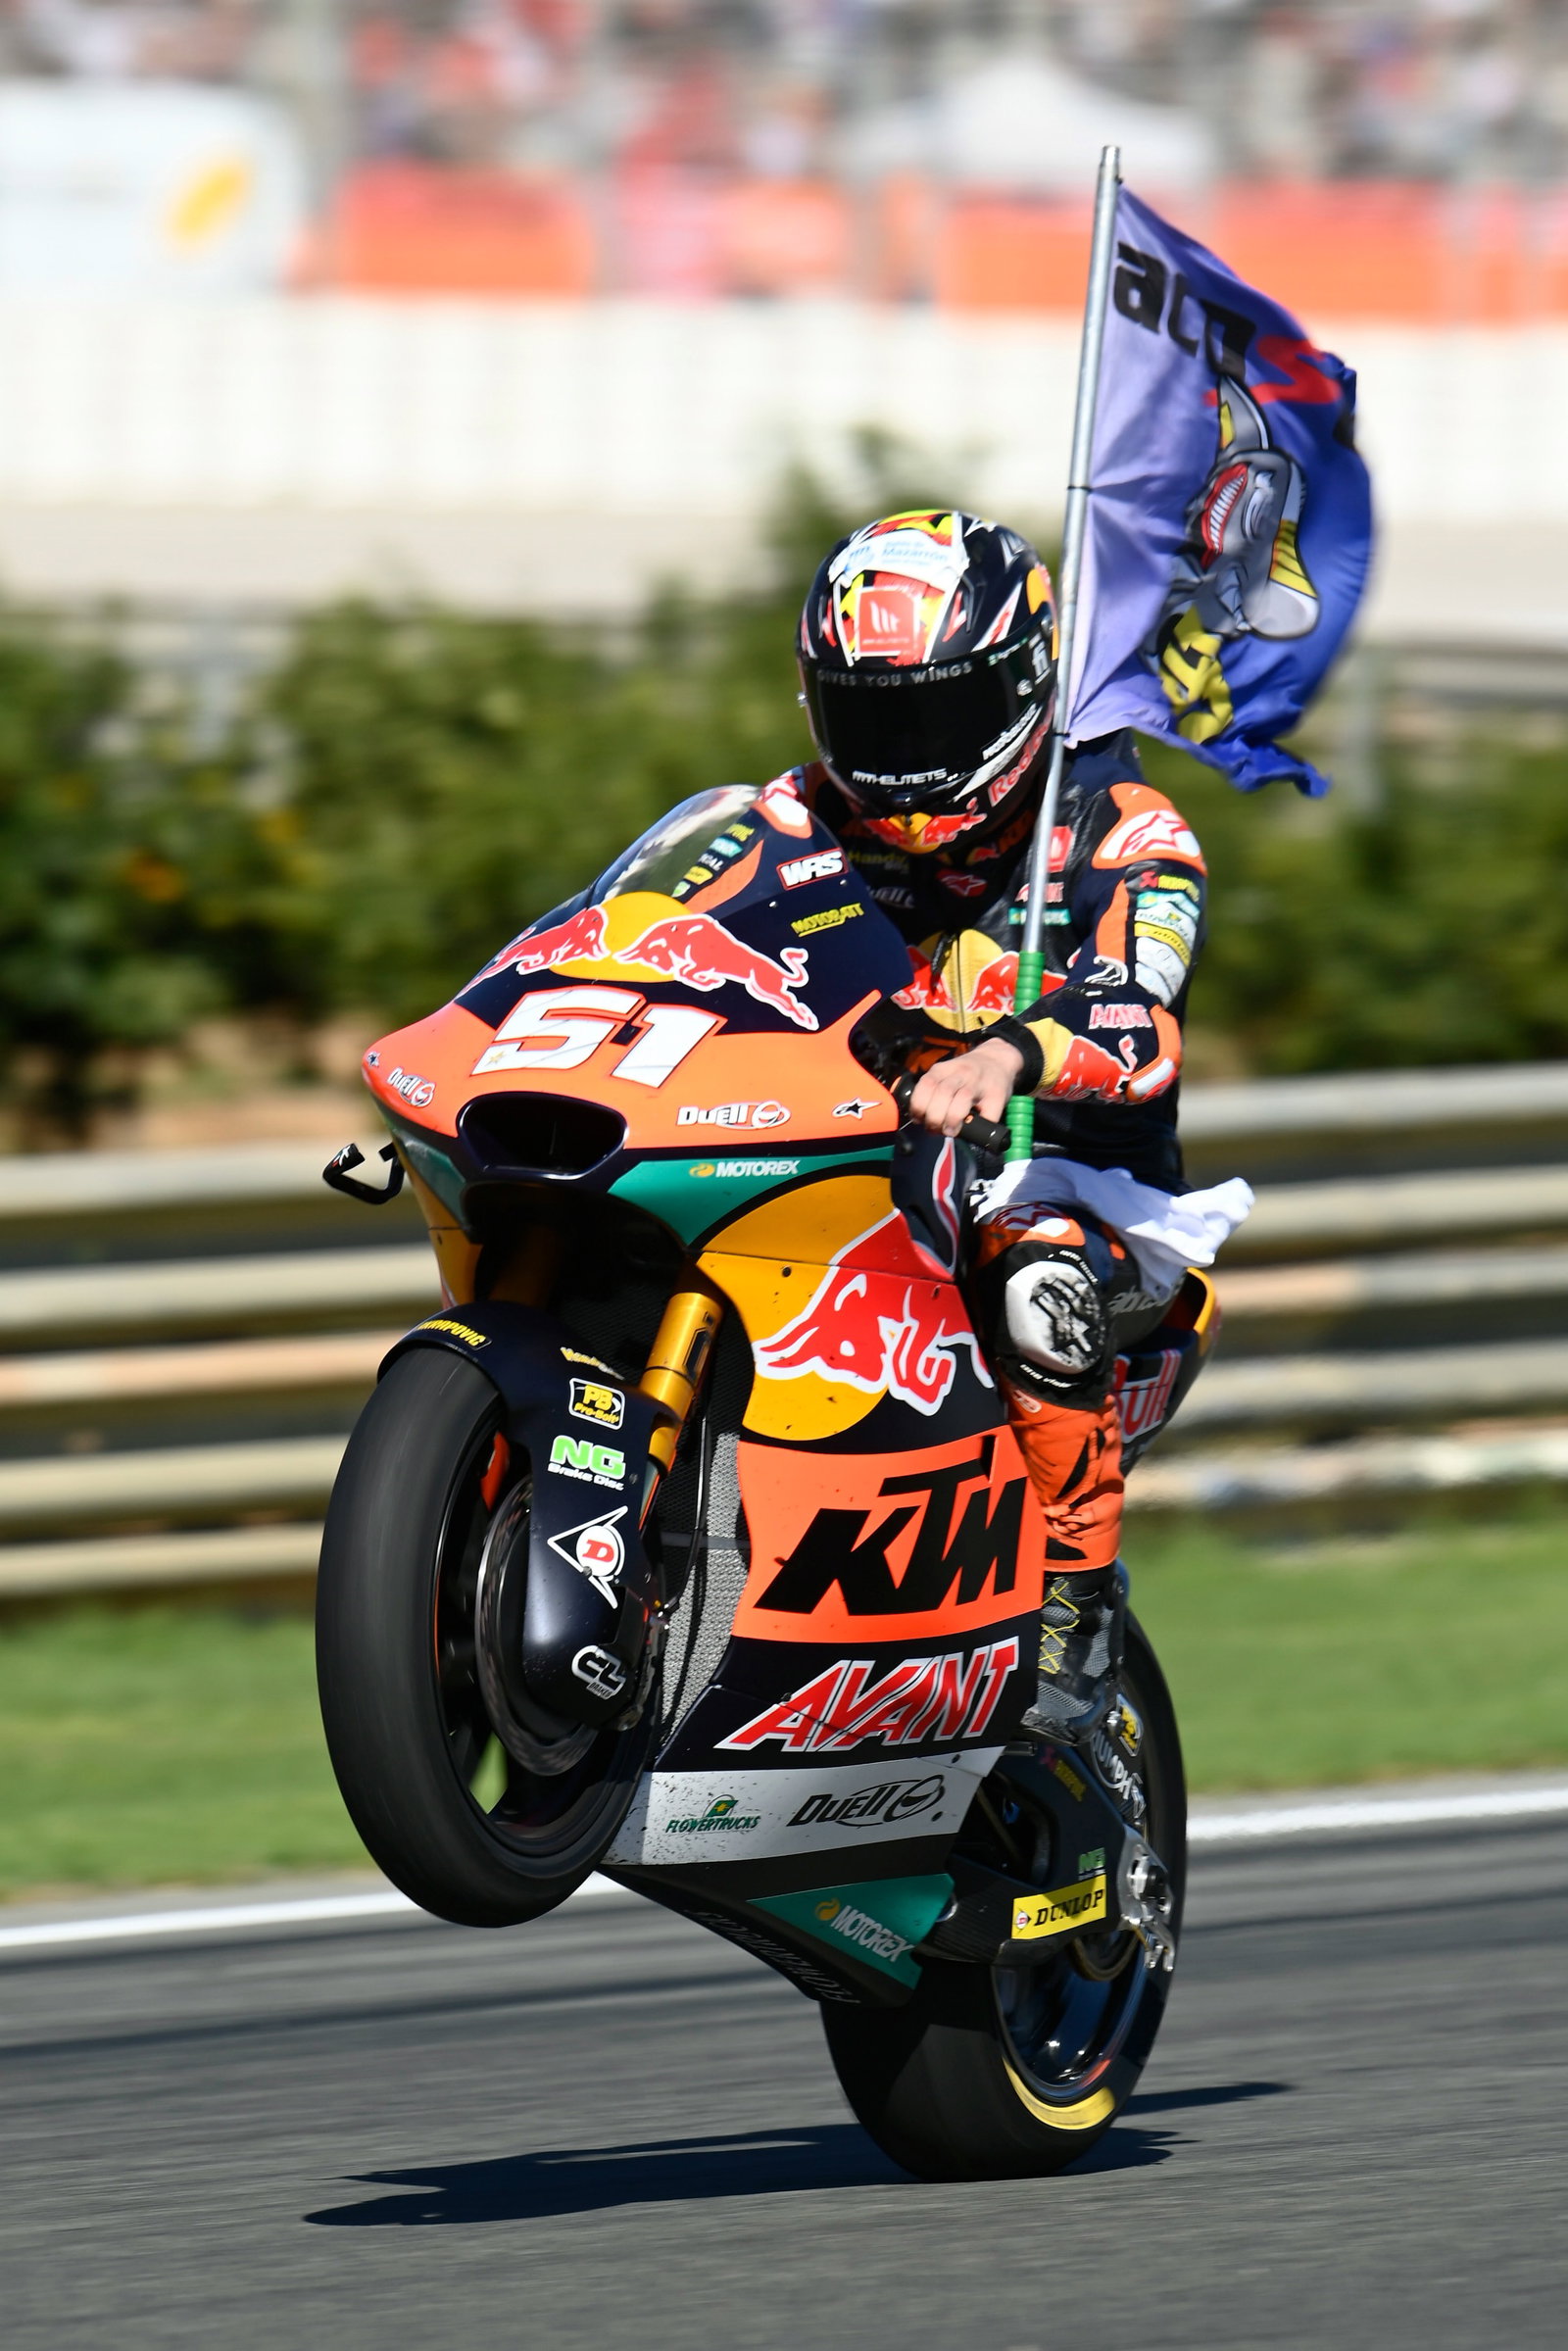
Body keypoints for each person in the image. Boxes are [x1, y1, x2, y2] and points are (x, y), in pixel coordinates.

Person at [785, 508, 1250, 1737]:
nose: (899, 758)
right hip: (877, 1168)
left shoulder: (1125, 830)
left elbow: (1145, 1024)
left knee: (1032, 1261)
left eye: (931, 717)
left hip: (1087, 1193)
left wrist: (1015, 1047)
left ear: (1021, 685)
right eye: (868, 717)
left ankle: (1075, 1591)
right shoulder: (800, 816)